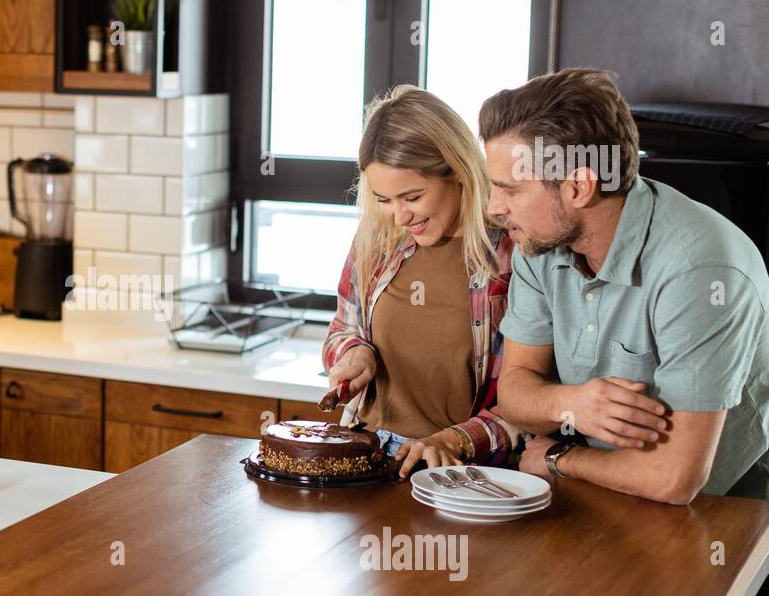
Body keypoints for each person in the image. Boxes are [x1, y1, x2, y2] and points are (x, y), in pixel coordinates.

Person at [482, 67, 769, 504]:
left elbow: (675, 479)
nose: (493, 208)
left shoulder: (701, 270)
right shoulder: (538, 246)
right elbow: (515, 392)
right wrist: (572, 404)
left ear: (578, 186)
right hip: (604, 494)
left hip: (723, 511)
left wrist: (561, 458)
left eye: (510, 190)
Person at [324, 85, 522, 479]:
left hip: (464, 469)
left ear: (456, 170)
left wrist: (453, 441)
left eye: (412, 197)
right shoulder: (376, 236)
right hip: (369, 453)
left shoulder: (510, 251)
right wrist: (353, 353)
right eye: (384, 199)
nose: (399, 217)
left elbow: (524, 402)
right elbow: (342, 328)